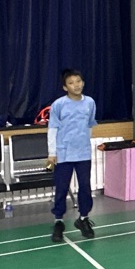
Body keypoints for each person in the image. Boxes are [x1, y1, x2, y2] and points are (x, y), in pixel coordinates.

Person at [46, 68, 97, 242]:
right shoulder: (58, 105)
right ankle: (58, 221)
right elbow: (52, 129)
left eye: (78, 81)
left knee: (85, 187)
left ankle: (83, 218)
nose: (76, 85)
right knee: (61, 188)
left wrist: (85, 144)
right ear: (65, 87)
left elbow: (89, 125)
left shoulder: (90, 102)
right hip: (63, 154)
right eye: (71, 83)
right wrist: (52, 153)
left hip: (83, 153)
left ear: (83, 82)